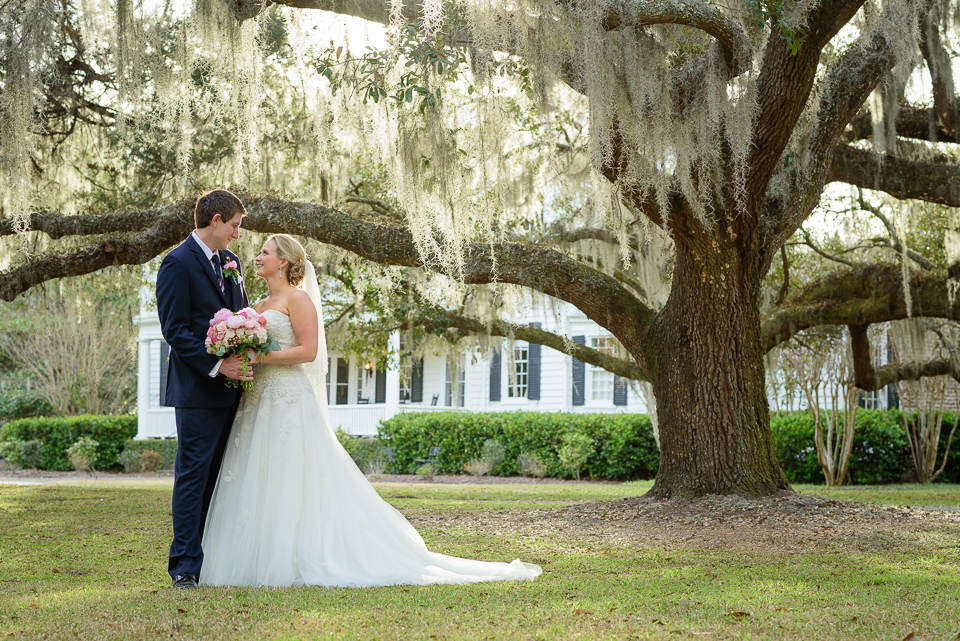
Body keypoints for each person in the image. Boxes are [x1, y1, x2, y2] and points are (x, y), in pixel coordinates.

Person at [200, 234, 542, 587]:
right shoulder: (257, 303)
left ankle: (295, 557)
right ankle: (255, 556)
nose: (257, 257)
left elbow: (309, 351)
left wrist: (263, 356)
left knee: (291, 473)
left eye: (264, 252)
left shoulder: (298, 299)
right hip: (258, 399)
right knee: (258, 472)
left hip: (288, 398)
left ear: (283, 261)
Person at [155, 189, 251, 590]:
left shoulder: (231, 262)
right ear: (215, 221)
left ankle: (214, 557)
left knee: (221, 477)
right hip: (197, 390)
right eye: (234, 226)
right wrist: (217, 364)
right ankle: (185, 566)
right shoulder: (176, 263)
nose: (236, 235)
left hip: (234, 391)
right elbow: (175, 331)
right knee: (193, 477)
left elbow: (242, 315)